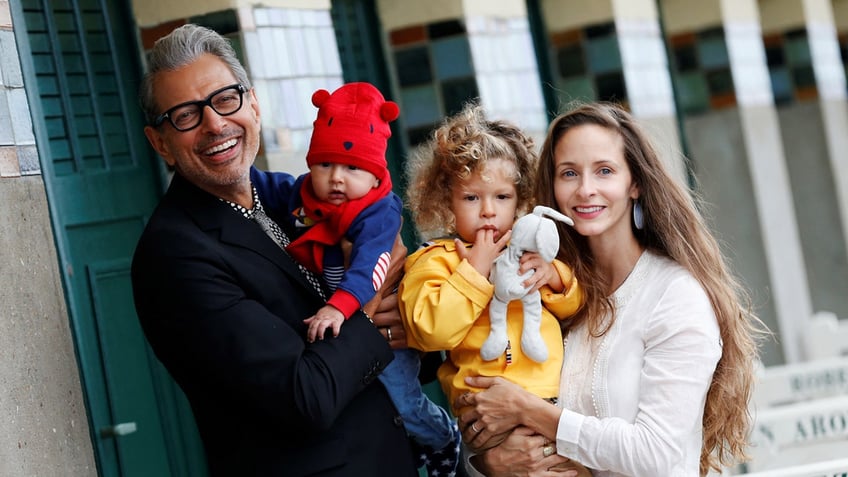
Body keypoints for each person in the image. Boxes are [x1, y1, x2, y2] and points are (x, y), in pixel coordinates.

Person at [131, 23, 417, 476]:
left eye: (226, 99)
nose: (215, 124)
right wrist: (374, 303)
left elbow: (404, 303)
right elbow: (305, 397)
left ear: (254, 104)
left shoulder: (294, 196)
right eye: (186, 115)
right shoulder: (174, 256)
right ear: (159, 142)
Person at [457, 102, 765, 476]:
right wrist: (489, 463)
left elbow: (656, 454)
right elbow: (487, 419)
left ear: (634, 182)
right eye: (569, 173)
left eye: (604, 171)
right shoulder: (550, 291)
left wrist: (528, 409)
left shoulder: (675, 296)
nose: (586, 189)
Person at [284, 81, 461, 476]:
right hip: (353, 328)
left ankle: (442, 438)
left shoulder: (378, 214)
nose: (336, 179)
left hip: (385, 323)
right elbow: (275, 189)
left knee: (402, 398)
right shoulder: (306, 197)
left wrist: (336, 307)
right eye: (324, 164)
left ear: (375, 171)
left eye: (352, 168)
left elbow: (369, 270)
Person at [399, 103, 583, 469]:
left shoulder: (530, 251)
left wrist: (556, 277)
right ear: (445, 201)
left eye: (501, 197)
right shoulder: (435, 259)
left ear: (520, 200)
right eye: (471, 198)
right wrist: (474, 272)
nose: (488, 211)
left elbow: (575, 307)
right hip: (485, 415)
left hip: (550, 402)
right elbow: (429, 329)